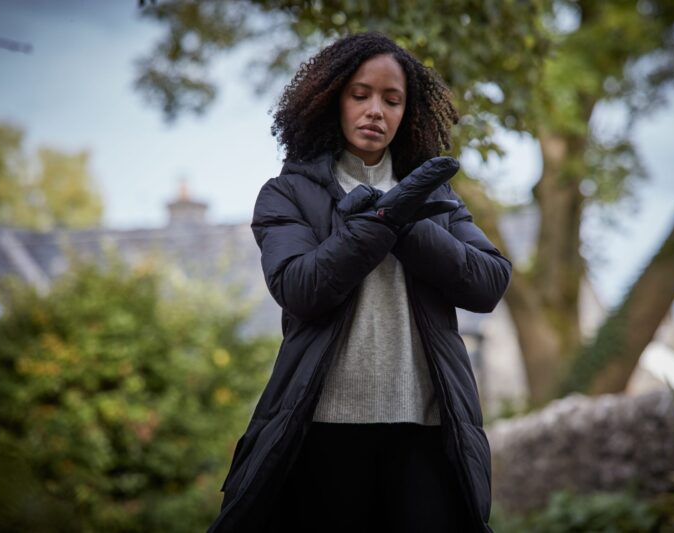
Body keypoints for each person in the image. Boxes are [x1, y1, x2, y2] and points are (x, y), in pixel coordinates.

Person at [208, 32, 511, 533]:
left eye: (392, 100)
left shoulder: (435, 196)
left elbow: (489, 282)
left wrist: (404, 222)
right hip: (324, 430)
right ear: (332, 101)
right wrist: (382, 222)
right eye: (360, 94)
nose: (376, 110)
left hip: (426, 431)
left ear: (407, 113)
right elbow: (301, 289)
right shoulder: (287, 194)